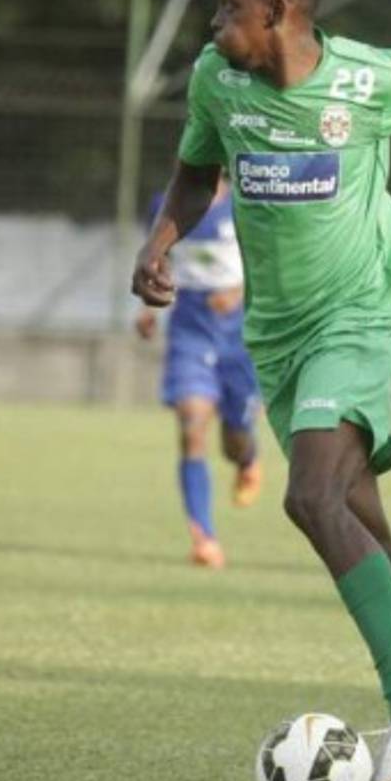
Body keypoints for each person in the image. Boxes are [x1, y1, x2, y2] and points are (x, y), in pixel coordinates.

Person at [131, 0, 391, 781]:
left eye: (229, 8)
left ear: (278, 14)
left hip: (362, 311)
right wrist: (158, 244)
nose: (214, 24)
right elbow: (195, 171)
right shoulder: (217, 82)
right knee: (360, 523)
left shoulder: (367, 80)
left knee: (309, 498)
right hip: (278, 334)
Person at [135, 174, 262, 570]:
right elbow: (160, 257)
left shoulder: (249, 202)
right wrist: (148, 307)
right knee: (192, 424)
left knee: (235, 441)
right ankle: (204, 537)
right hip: (190, 327)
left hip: (240, 334)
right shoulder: (165, 204)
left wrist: (241, 291)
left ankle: (247, 460)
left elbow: (274, 261)